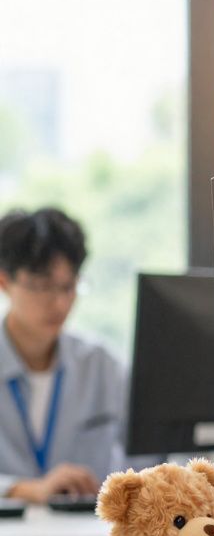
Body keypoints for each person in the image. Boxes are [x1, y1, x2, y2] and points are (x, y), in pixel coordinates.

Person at [0, 207, 127, 507]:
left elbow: (152, 456)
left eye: (69, 286)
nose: (58, 302)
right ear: (4, 282)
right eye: (42, 286)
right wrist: (24, 489)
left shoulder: (103, 366)